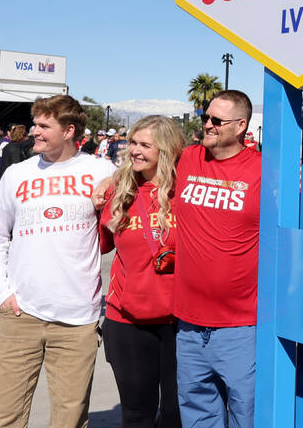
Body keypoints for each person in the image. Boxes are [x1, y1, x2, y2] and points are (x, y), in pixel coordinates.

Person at [0, 95, 114, 428]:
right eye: (35, 124)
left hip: (77, 320)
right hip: (20, 315)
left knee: (71, 417)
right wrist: (1, 294)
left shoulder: (101, 170)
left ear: (69, 131)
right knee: (4, 416)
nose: (34, 132)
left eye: (43, 125)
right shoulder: (17, 174)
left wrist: (116, 180)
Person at [172, 89, 261, 428]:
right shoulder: (189, 157)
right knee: (197, 417)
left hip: (240, 326)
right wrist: (109, 179)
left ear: (240, 126)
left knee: (247, 417)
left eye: (217, 120)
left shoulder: (262, 169)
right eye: (205, 117)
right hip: (189, 324)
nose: (207, 124)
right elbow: (142, 161)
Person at [98, 115, 187, 428]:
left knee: (177, 414)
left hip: (181, 322)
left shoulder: (188, 192)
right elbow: (102, 244)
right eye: (133, 143)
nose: (135, 150)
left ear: (166, 149)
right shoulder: (120, 192)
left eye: (145, 145)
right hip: (128, 321)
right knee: (137, 415)